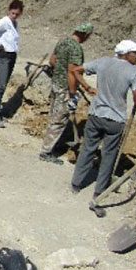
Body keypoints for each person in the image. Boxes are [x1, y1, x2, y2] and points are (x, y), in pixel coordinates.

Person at [70, 40, 136, 199]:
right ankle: (99, 192)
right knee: (108, 155)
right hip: (115, 119)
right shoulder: (133, 72)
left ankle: (76, 183)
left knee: (88, 148)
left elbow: (76, 70)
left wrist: (87, 88)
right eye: (135, 53)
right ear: (126, 54)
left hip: (96, 114)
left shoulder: (103, 62)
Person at [39, 23, 97, 165]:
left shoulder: (63, 41)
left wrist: (59, 70)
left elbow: (52, 60)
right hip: (65, 88)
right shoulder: (76, 49)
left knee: (54, 115)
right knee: (59, 119)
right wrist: (75, 92)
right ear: (86, 34)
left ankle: (50, 143)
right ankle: (46, 152)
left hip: (56, 84)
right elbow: (73, 72)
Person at [0, 0, 24, 128]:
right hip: (3, 56)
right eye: (13, 13)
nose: (14, 16)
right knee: (1, 86)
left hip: (11, 55)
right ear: (9, 11)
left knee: (4, 84)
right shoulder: (5, 21)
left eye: (17, 14)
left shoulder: (14, 23)